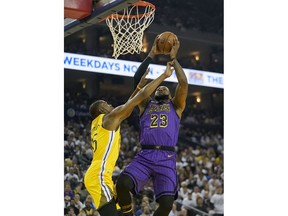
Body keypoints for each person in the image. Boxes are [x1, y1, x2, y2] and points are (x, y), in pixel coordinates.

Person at [83, 60, 175, 216]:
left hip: (100, 174)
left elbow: (129, 106)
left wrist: (139, 85)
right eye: (106, 103)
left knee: (123, 213)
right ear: (102, 109)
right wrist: (163, 76)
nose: (110, 104)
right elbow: (140, 98)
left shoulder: (102, 122)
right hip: (99, 175)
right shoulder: (108, 118)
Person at [116, 36, 188, 216]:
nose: (161, 87)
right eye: (158, 88)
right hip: (146, 154)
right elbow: (137, 79)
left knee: (166, 203)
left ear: (170, 94)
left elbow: (184, 83)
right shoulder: (145, 104)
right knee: (122, 184)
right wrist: (151, 54)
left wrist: (173, 58)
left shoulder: (176, 106)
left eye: (165, 87)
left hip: (167, 156)